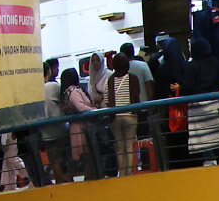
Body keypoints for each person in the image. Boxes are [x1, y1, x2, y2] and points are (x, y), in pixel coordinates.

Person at [107, 42, 153, 174]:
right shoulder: (133, 77)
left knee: (120, 147)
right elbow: (136, 95)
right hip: (131, 115)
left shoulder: (110, 79)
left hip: (115, 116)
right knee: (130, 145)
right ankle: (130, 173)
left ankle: (122, 174)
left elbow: (107, 98)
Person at [185, 36, 219, 155]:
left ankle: (208, 163)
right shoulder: (215, 62)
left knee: (203, 139)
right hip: (215, 102)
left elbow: (187, 85)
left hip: (198, 105)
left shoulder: (191, 66)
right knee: (217, 136)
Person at [57, 67, 99, 178]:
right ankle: (83, 178)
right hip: (80, 126)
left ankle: (82, 177)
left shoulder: (69, 91)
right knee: (84, 154)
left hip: (78, 125)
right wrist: (95, 110)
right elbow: (80, 107)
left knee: (82, 154)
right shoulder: (74, 91)